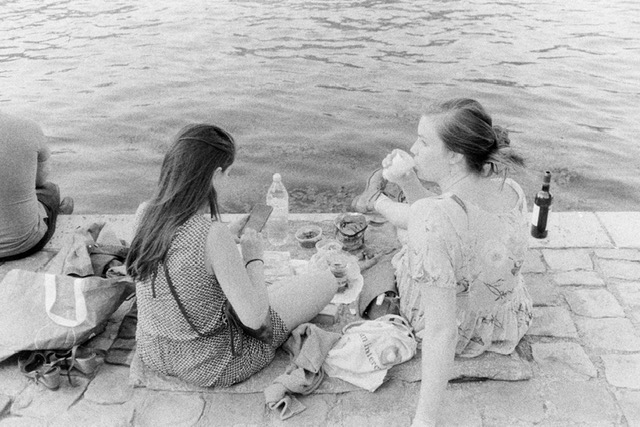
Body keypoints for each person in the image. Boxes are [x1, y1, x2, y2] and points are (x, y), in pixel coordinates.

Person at [353, 98, 533, 426]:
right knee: (419, 231)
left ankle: (377, 203)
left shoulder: (432, 215)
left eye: (422, 142)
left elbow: (441, 331)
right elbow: (443, 217)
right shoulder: (513, 189)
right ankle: (385, 204)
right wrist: (408, 180)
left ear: (454, 155)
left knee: (403, 250)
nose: (413, 147)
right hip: (507, 318)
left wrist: (423, 421)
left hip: (465, 331)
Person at [126, 124, 337, 387]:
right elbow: (254, 319)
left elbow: (181, 252)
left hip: (155, 353)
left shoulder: (144, 213)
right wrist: (253, 257)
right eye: (228, 173)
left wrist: (225, 236)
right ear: (215, 175)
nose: (228, 179)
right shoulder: (211, 234)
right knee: (324, 281)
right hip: (213, 364)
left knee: (280, 289)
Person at [0, 113, 73, 261]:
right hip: (20, 245)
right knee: (51, 190)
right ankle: (57, 214)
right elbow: (40, 180)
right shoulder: (28, 126)